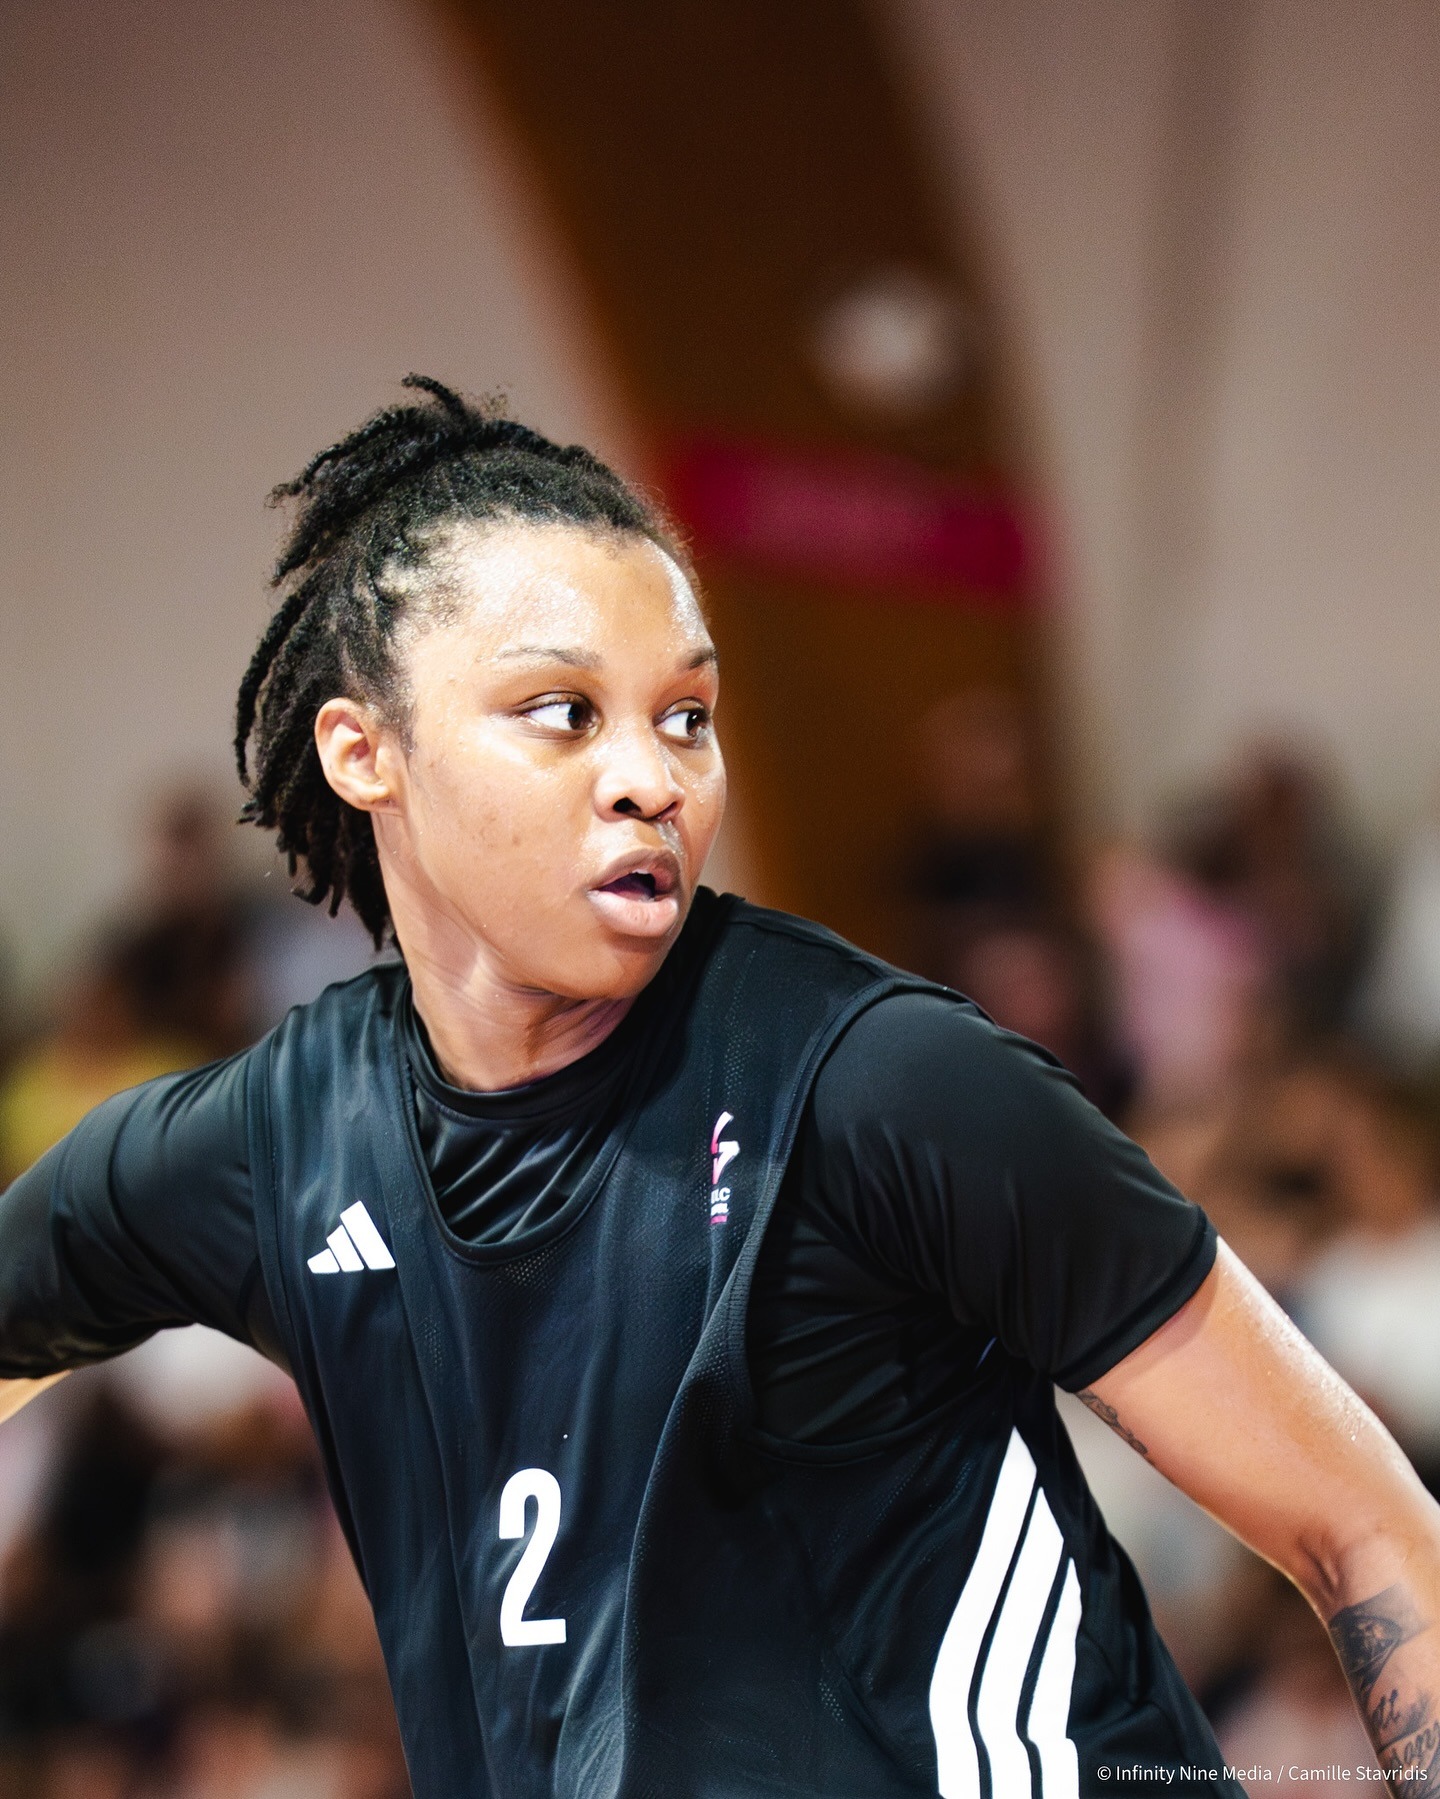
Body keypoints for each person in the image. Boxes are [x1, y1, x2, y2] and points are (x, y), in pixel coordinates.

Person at [0, 378, 1437, 1799]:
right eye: (563, 711)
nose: (653, 778)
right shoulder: (281, 1147)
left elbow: (1369, 1527)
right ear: (363, 751)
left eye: (686, 715)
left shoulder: (883, 1082)